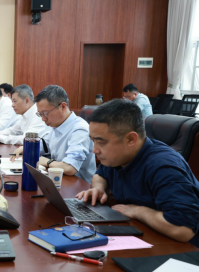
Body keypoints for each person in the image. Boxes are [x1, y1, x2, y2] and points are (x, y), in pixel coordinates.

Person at [76, 99, 199, 247]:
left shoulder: (163, 167)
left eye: (101, 142)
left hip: (182, 250)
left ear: (130, 139)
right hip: (143, 234)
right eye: (93, 141)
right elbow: (100, 175)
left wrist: (138, 211)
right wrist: (98, 188)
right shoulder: (118, 156)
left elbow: (184, 230)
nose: (95, 150)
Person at [11, 85, 96, 183]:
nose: (43, 119)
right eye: (40, 114)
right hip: (59, 181)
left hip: (78, 186)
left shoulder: (79, 129)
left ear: (62, 107)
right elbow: (44, 144)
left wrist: (47, 162)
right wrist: (26, 148)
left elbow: (70, 168)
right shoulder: (56, 125)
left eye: (45, 113)